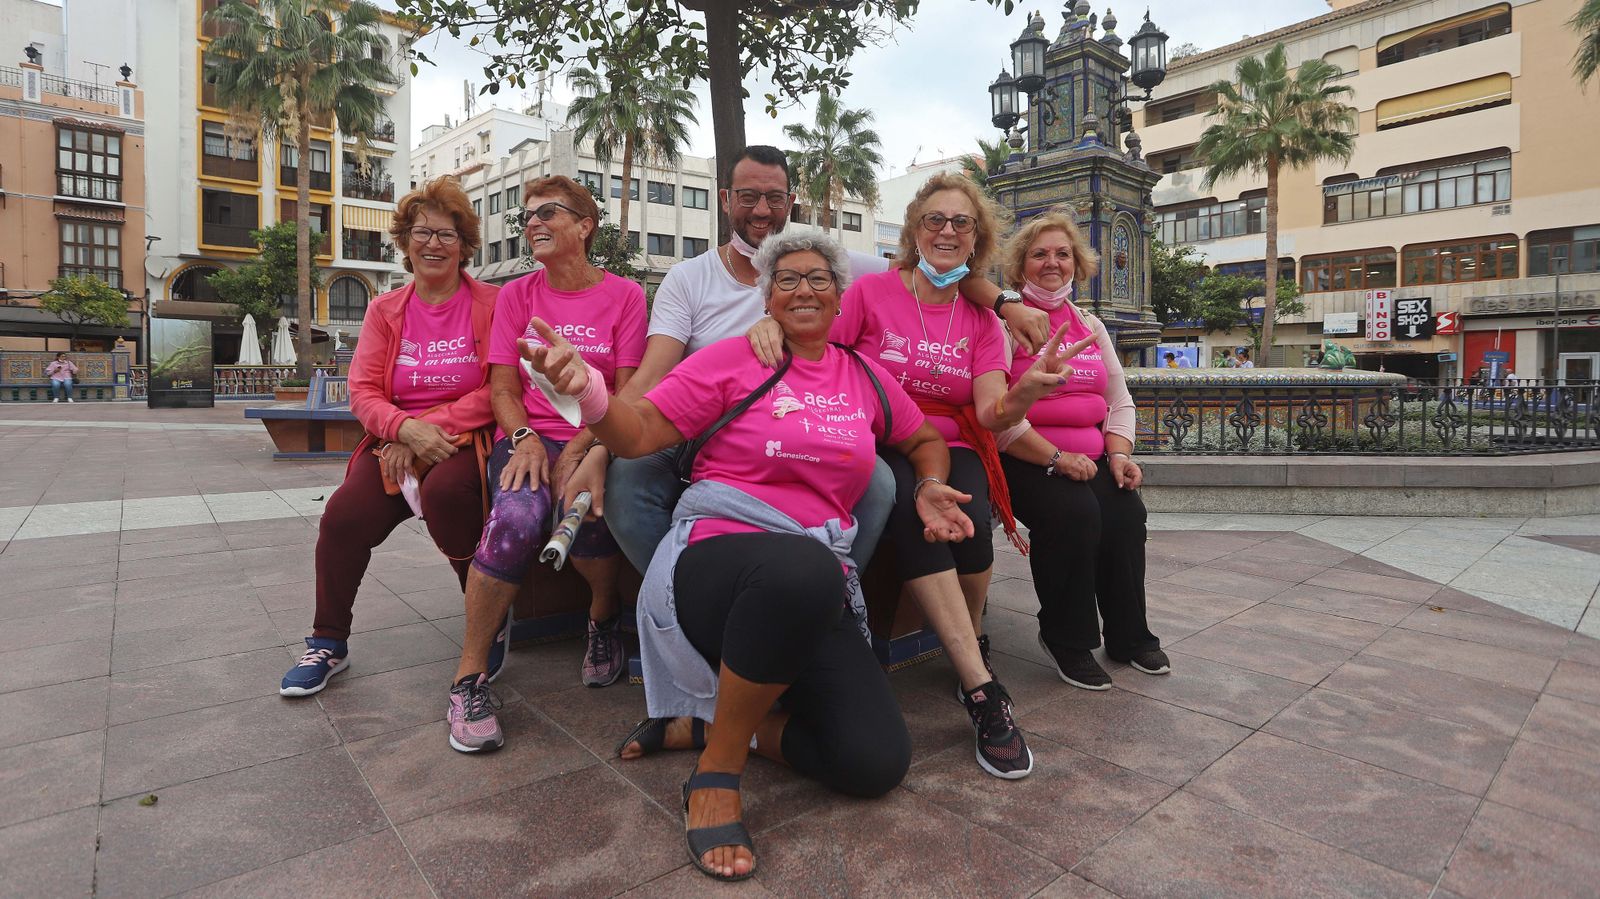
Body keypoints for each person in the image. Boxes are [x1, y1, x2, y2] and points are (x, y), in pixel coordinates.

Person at [523, 230, 969, 881]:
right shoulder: (730, 361)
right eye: (787, 278)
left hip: (812, 577)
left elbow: (924, 436)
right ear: (767, 297)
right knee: (801, 567)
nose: (804, 288)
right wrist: (589, 393)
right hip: (717, 561)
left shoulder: (867, 377)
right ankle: (717, 771)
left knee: (875, 760)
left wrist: (928, 483)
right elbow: (640, 429)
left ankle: (708, 727)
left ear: (840, 296)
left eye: (819, 277)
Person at [575, 146, 1050, 578]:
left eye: (774, 197)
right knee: (627, 487)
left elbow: (937, 269)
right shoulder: (688, 278)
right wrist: (597, 446)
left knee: (878, 482)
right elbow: (652, 376)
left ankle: (836, 591)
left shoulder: (825, 258)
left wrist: (1005, 302)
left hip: (800, 414)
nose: (761, 209)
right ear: (724, 199)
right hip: (699, 420)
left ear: (791, 202)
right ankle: (682, 592)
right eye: (747, 196)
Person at [832, 171, 1074, 779]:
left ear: (976, 241)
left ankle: (969, 632)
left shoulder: (982, 321)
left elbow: (993, 413)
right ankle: (980, 687)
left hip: (951, 436)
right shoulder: (871, 294)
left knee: (969, 531)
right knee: (921, 512)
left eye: (960, 223)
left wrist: (1027, 393)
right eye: (934, 220)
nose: (946, 231)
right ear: (915, 231)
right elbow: (824, 358)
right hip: (878, 436)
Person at [442, 176, 646, 753]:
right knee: (516, 520)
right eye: (526, 215)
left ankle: (602, 618)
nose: (533, 222)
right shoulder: (517, 296)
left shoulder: (626, 296)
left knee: (592, 520)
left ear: (585, 225)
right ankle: (469, 677)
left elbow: (628, 392)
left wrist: (587, 448)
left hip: (599, 436)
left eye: (548, 212)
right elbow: (503, 388)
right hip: (530, 439)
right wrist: (527, 438)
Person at [280, 179, 498, 698]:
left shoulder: (492, 303)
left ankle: (486, 629)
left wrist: (428, 430)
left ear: (464, 244)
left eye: (446, 234)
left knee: (450, 496)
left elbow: (498, 389)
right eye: (422, 232)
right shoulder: (384, 310)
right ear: (405, 242)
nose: (433, 244)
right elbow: (363, 390)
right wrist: (403, 429)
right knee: (343, 517)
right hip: (395, 444)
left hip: (459, 441)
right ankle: (328, 641)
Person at [995, 211, 1168, 689]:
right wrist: (1054, 457)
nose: (1052, 263)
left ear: (1078, 263)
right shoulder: (1002, 325)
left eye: (1062, 254)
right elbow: (998, 415)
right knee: (1074, 513)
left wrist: (1118, 454)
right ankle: (1066, 638)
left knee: (1126, 513)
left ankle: (1129, 636)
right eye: (1039, 254)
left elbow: (1118, 398)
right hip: (1026, 456)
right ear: (1020, 266)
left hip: (1092, 458)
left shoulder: (1089, 323)